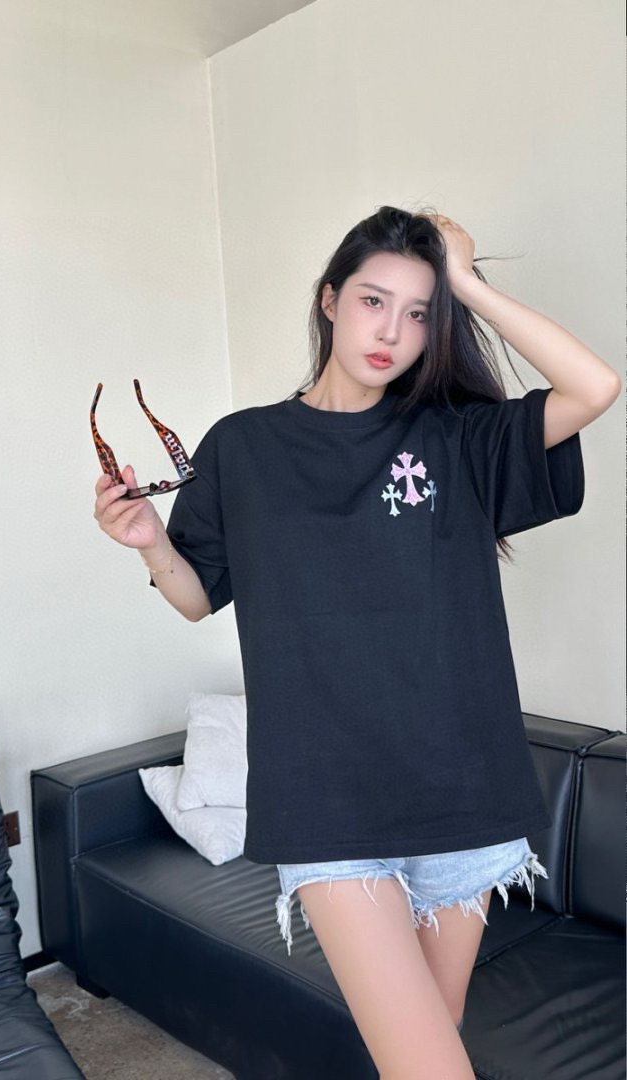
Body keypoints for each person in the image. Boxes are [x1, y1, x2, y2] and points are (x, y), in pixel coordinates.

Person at [93, 207, 619, 1079]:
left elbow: (594, 387)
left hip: (465, 786)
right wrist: (151, 543)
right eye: (374, 301)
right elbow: (195, 597)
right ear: (329, 300)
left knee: (433, 1035)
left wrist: (466, 282)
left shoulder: (454, 437)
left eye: (419, 312)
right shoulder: (242, 446)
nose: (392, 331)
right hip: (325, 799)